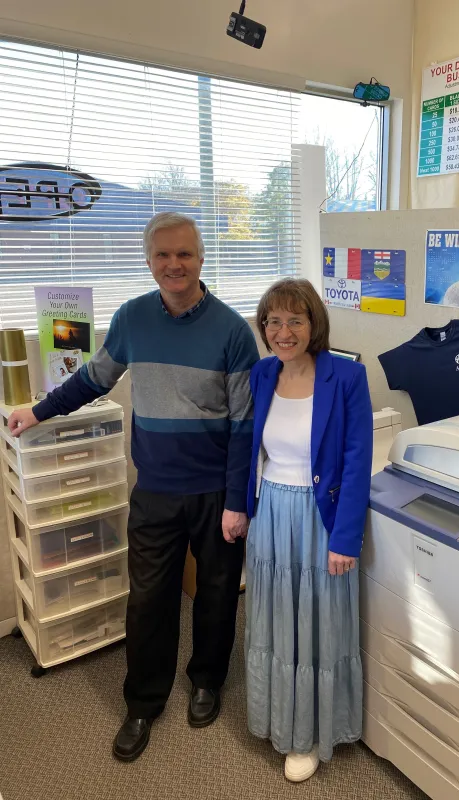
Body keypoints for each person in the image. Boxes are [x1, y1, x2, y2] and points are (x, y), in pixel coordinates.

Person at [8, 212, 259, 762]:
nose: (174, 265)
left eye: (185, 254)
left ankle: (207, 681)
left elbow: (245, 424)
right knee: (149, 600)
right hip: (155, 490)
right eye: (163, 255)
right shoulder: (131, 319)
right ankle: (143, 701)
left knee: (217, 595)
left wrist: (240, 501)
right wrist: (38, 411)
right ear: (149, 261)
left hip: (217, 492)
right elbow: (92, 378)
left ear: (200, 259)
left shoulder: (234, 331)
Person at [244, 278, 373, 782]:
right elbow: (248, 448)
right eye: (273, 321)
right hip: (271, 512)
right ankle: (279, 717)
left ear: (314, 323)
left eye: (295, 319)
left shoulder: (346, 377)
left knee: (319, 623)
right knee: (276, 618)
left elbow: (357, 459)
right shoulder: (261, 374)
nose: (284, 331)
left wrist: (346, 538)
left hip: (321, 518)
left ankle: (312, 734)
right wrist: (240, 508)